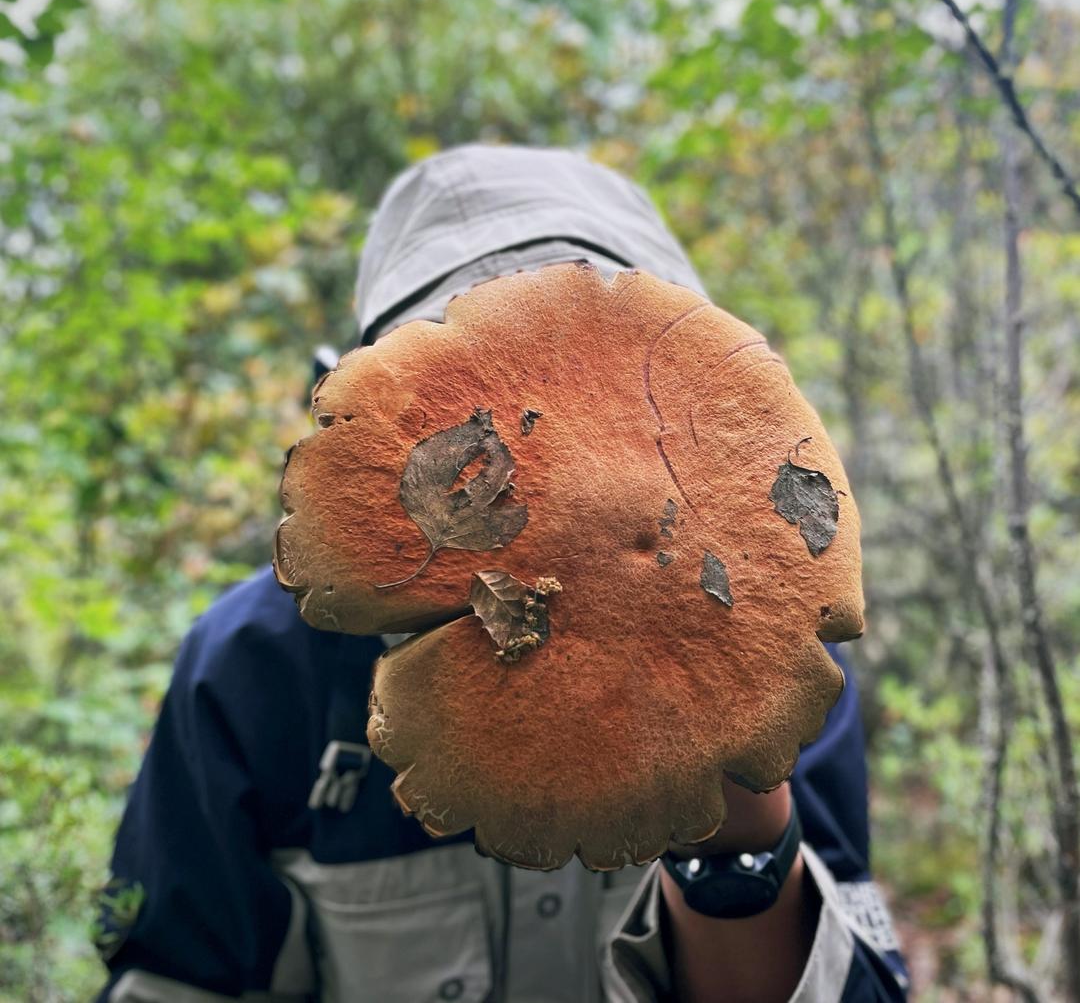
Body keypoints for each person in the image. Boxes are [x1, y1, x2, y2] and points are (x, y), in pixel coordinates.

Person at [96, 144, 909, 1003]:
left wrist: (734, 848)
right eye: (480, 396)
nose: (558, 448)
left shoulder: (780, 659)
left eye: (609, 383)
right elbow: (175, 977)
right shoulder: (248, 674)